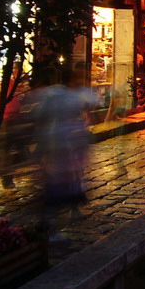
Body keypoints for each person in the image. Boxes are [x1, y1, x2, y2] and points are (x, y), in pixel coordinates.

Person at [32, 66, 96, 238]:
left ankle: (72, 209)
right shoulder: (61, 95)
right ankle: (47, 225)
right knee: (59, 182)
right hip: (60, 144)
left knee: (71, 178)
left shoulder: (60, 94)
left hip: (66, 143)